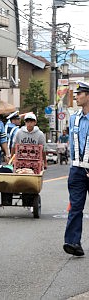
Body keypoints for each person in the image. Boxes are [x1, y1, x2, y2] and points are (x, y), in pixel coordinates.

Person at [63, 81, 89, 257]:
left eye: (80, 94)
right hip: (77, 170)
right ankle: (73, 242)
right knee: (75, 207)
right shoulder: (74, 117)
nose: (77, 96)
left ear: (88, 96)